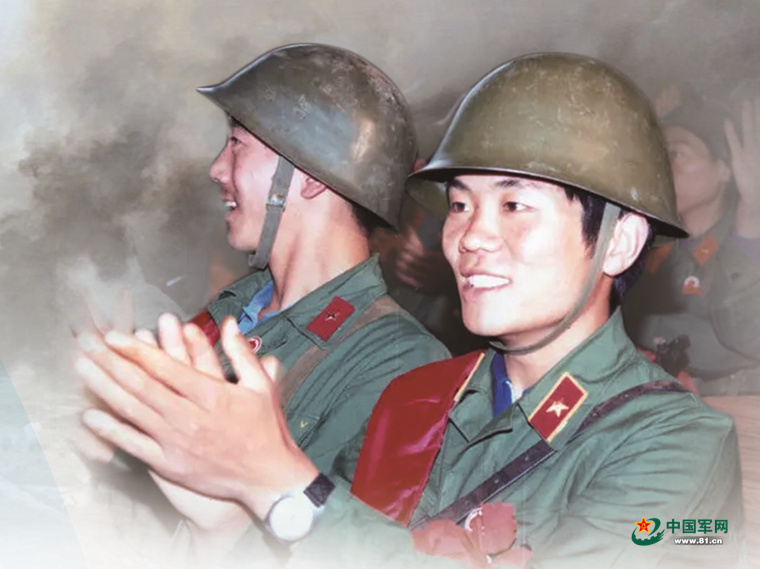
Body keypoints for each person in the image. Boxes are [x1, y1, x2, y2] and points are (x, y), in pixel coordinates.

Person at [74, 53, 745, 568]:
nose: (471, 235)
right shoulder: (417, 398)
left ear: (620, 241)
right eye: (460, 205)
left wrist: (284, 488)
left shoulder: (679, 445)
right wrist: (222, 524)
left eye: (514, 204)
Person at [75, 42, 448, 559]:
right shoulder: (227, 315)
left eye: (237, 144)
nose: (217, 168)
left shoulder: (405, 367)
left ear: (310, 176)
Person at [623, 93, 760, 395]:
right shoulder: (649, 239)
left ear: (725, 169)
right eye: (660, 155)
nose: (661, 167)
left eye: (676, 154)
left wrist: (752, 213)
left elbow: (750, 337)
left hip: (726, 403)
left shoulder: (749, 241)